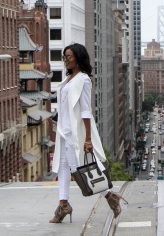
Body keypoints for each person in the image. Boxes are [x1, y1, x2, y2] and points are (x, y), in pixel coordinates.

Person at [50, 43, 125, 223]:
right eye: (64, 57)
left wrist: (88, 139)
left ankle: (109, 196)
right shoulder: (69, 79)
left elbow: (85, 110)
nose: (66, 60)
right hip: (64, 132)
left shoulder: (83, 79)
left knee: (79, 168)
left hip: (76, 133)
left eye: (69, 57)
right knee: (63, 167)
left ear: (78, 58)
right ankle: (64, 205)